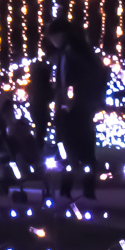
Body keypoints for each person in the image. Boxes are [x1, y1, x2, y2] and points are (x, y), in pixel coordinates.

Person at [46, 17, 108, 201]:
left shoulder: (68, 54)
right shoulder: (86, 52)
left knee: (65, 148)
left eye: (52, 36)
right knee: (86, 148)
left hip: (71, 110)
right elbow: (101, 76)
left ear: (60, 34)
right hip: (87, 107)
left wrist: (66, 104)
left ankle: (66, 188)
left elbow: (68, 83)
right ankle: (88, 189)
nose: (52, 41)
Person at [25, 53, 54, 152]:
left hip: (38, 107)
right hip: (40, 107)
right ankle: (38, 149)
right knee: (40, 129)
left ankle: (39, 149)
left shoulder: (35, 86)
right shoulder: (40, 86)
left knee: (40, 129)